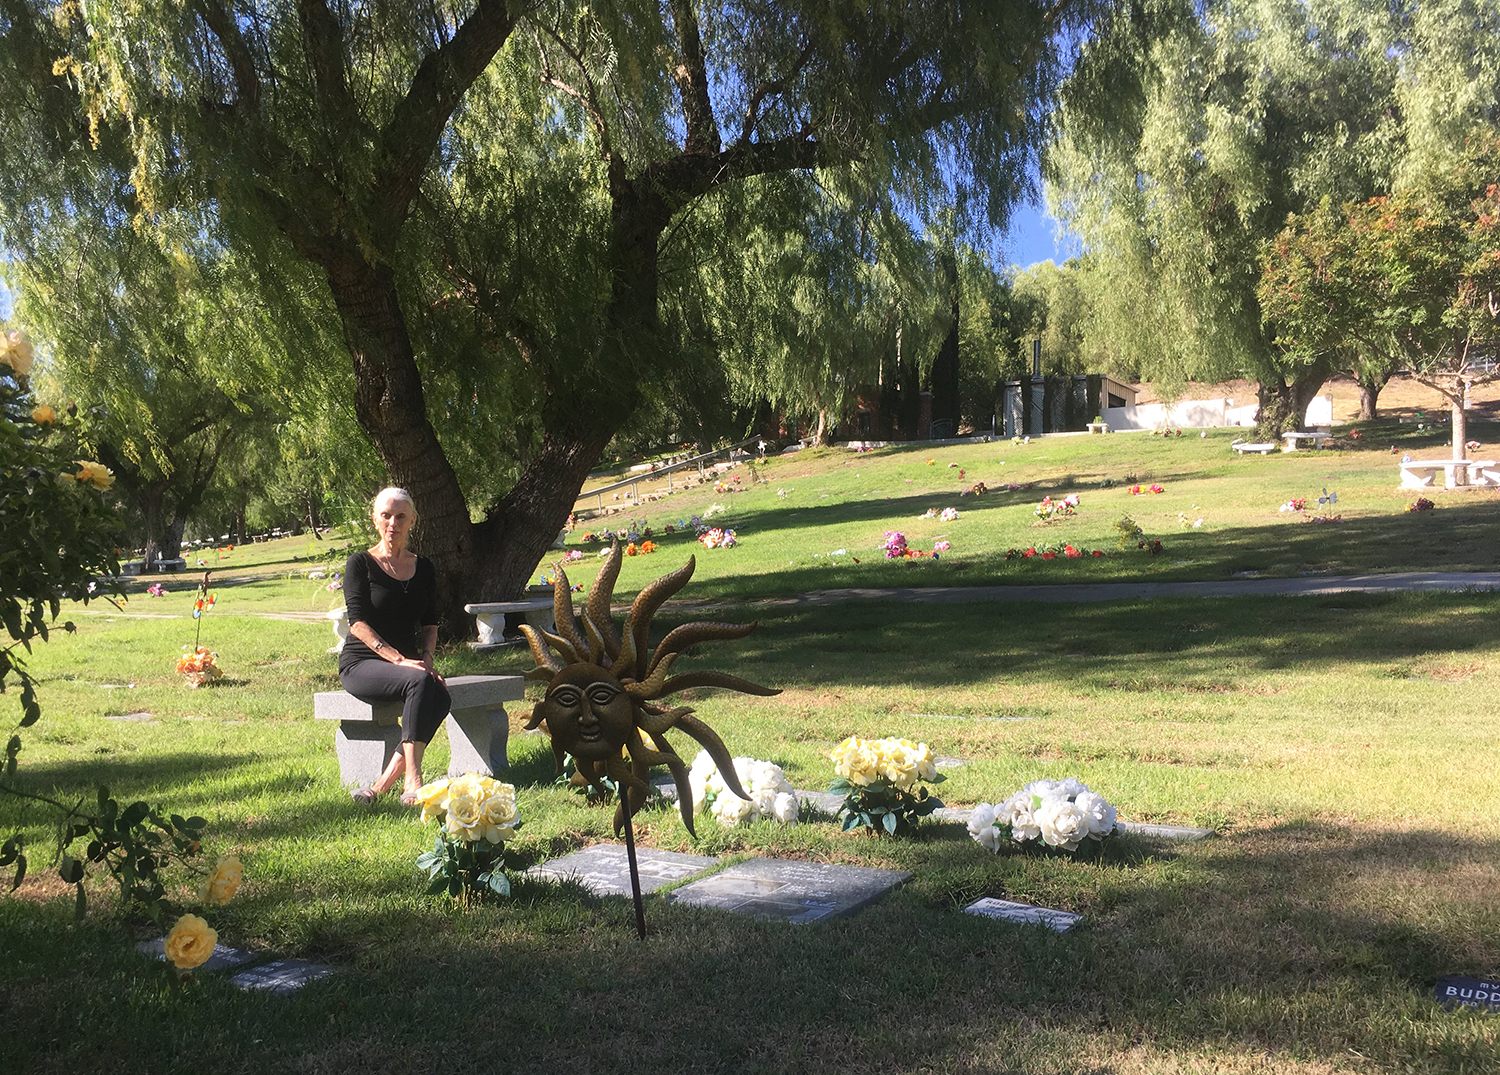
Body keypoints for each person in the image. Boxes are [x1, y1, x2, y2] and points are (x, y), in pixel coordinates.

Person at [340, 487, 449, 805]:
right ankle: (414, 780)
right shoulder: (360, 563)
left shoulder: (424, 567)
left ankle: (379, 787)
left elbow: (430, 623)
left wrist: (426, 659)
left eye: (400, 516)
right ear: (375, 520)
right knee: (419, 681)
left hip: (407, 666)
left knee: (440, 694)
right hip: (362, 663)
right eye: (386, 515)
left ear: (413, 520)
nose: (393, 523)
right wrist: (399, 659)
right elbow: (357, 623)